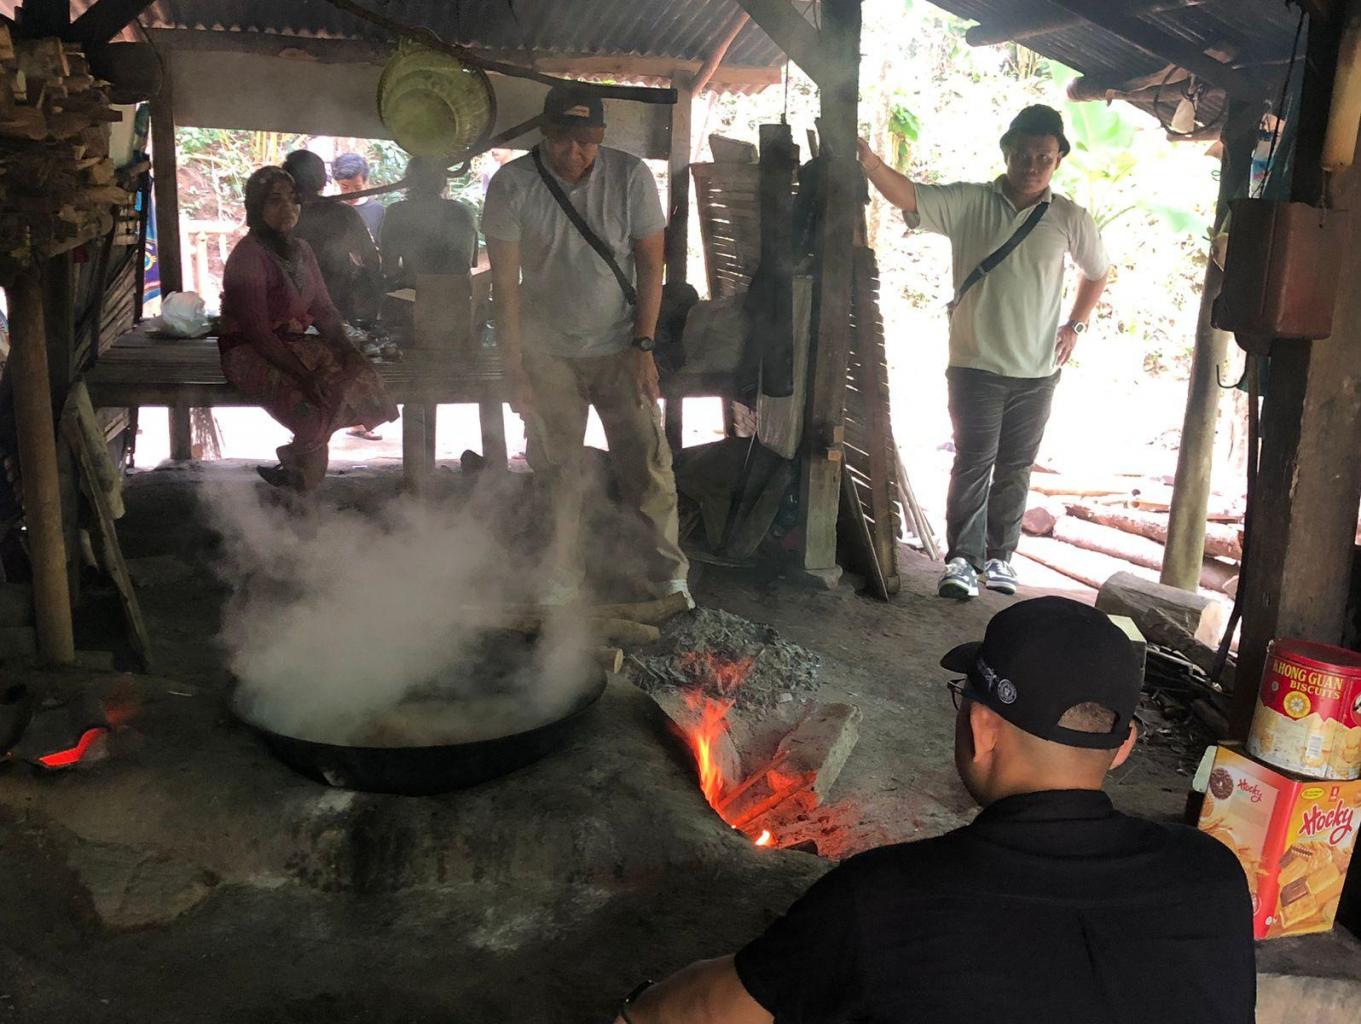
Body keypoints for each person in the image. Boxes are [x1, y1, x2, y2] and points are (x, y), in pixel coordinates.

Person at [612, 596, 1256, 1024]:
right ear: (1123, 748)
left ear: (981, 728)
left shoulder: (886, 898)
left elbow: (707, 1011)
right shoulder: (1213, 876)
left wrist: (639, 1005)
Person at [859, 105, 1112, 600]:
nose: (1033, 165)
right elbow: (909, 195)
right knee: (973, 462)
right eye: (1024, 154)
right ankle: (962, 561)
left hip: (1038, 371)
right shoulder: (970, 202)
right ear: (1006, 152)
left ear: (1059, 159)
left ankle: (1000, 558)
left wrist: (1076, 324)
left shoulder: (1069, 218)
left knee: (1016, 467)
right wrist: (869, 162)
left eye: (1044, 156)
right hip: (974, 364)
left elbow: (1098, 271)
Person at [482, 86, 690, 606]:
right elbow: (505, 286)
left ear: (600, 137)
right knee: (558, 472)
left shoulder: (630, 176)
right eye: (561, 140)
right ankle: (561, 575)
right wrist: (515, 368)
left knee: (647, 464)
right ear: (544, 134)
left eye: (585, 142)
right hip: (548, 353)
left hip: (621, 349)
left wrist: (643, 347)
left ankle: (667, 576)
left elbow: (652, 267)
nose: (573, 152)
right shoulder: (513, 185)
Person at [218, 166, 398, 492]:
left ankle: (299, 475)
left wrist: (349, 353)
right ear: (256, 207)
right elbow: (258, 334)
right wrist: (304, 375)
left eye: (292, 199)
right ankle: (299, 476)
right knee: (313, 411)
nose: (288, 208)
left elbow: (324, 312)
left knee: (361, 384)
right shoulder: (248, 257)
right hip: (249, 352)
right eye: (275, 201)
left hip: (292, 345)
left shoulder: (302, 250)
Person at [281, 150, 382, 325]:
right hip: (336, 304)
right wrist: (374, 299)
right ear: (322, 179)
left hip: (290, 307)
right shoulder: (343, 213)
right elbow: (371, 259)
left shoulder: (279, 214)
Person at [380, 155, 479, 290]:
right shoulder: (463, 212)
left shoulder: (397, 212)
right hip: (458, 294)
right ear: (443, 183)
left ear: (408, 182)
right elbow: (469, 263)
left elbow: (389, 267)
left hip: (415, 293)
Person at [333, 151, 386, 242]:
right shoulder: (332, 209)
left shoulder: (377, 210)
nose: (351, 193)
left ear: (365, 182)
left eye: (357, 187)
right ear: (337, 182)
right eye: (345, 187)